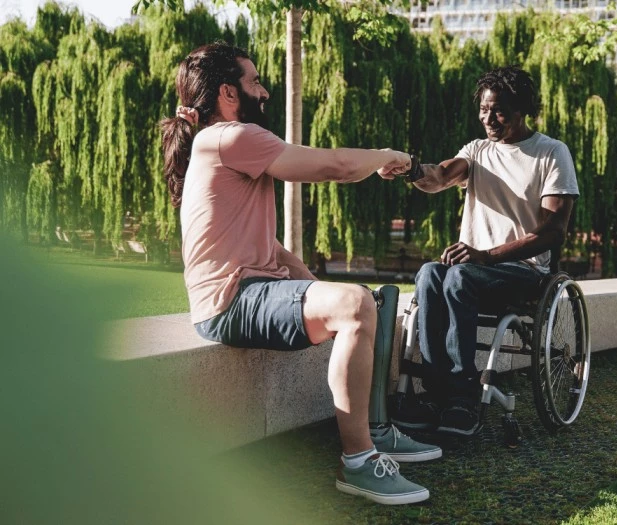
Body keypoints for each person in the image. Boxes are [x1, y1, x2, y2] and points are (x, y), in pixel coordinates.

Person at [160, 41, 439, 505]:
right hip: (231, 302)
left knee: (376, 299)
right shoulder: (230, 136)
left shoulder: (222, 144)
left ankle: (376, 427)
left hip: (253, 290)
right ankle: (359, 462)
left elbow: (265, 244)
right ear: (228, 92)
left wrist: (309, 282)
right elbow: (334, 166)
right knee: (354, 305)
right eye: (254, 82)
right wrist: (393, 157)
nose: (264, 91)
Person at [391, 66, 579, 436]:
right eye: (482, 110)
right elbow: (441, 175)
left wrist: (485, 256)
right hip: (474, 272)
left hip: (525, 273)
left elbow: (553, 232)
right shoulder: (477, 151)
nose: (488, 119)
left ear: (522, 109)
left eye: (498, 111)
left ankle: (463, 395)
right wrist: (411, 169)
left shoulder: (551, 153)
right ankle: (435, 391)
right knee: (431, 273)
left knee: (459, 276)